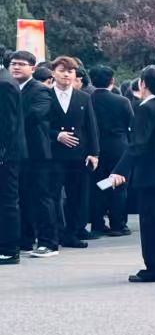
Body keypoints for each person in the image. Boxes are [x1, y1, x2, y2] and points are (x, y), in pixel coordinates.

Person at [108, 65, 155, 283]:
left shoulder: (145, 108)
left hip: (151, 172)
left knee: (152, 223)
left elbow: (137, 144)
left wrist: (119, 170)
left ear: (143, 84)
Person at [43, 56, 99, 250]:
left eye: (70, 71)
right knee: (52, 196)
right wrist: (56, 135)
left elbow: (91, 127)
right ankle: (53, 234)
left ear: (75, 75)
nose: (66, 75)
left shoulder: (83, 97)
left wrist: (94, 153)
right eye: (61, 70)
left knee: (77, 196)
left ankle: (72, 234)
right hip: (53, 154)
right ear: (53, 73)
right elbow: (39, 124)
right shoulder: (45, 95)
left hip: (79, 154)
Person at [11, 50, 55, 256]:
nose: (16, 67)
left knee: (41, 197)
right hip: (17, 152)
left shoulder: (40, 90)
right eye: (13, 63)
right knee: (20, 197)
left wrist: (8, 117)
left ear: (33, 68)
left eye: (21, 64)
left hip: (37, 153)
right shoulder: (10, 87)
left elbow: (36, 114)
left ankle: (48, 242)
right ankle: (25, 240)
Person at [88, 65, 134, 237]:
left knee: (97, 186)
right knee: (118, 185)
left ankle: (97, 223)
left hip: (96, 148)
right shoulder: (122, 101)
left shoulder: (87, 99)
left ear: (91, 80)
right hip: (118, 147)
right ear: (112, 80)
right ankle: (118, 224)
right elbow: (131, 124)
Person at [0, 54, 22, 265]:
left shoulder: (4, 83)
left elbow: (8, 125)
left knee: (7, 202)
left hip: (6, 154)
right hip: (6, 152)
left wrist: (3, 153)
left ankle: (8, 249)